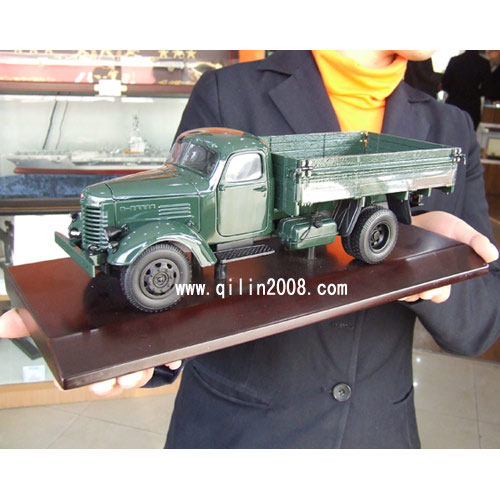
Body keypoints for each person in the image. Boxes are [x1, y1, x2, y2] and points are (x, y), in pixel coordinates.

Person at [1, 50, 499, 448]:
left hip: (379, 435)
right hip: (236, 434)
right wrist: (147, 349)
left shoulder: (451, 127)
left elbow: (481, 323)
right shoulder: (226, 91)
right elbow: (181, 292)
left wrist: (427, 267)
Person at [441, 50, 493, 129]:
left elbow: (445, 84)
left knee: (450, 131)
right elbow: (487, 88)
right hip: (472, 105)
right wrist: (477, 92)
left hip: (453, 103)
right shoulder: (483, 63)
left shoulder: (455, 61)